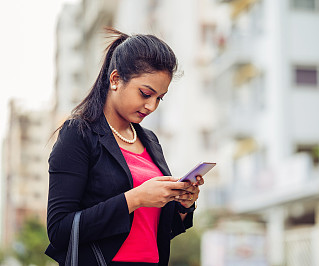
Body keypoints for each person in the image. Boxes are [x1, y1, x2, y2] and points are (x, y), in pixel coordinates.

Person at [45, 28, 204, 266]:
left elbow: (156, 231)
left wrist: (184, 204)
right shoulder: (78, 134)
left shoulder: (150, 141)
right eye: (145, 93)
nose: (151, 106)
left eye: (159, 98)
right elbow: (60, 230)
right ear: (116, 79)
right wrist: (136, 198)